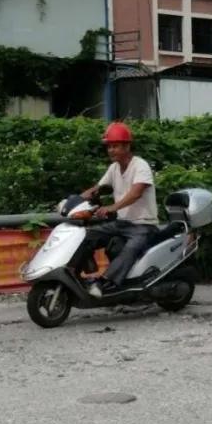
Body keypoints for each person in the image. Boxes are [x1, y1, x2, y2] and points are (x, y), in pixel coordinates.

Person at [80, 122, 158, 297]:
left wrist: (112, 207)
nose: (111, 150)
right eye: (109, 147)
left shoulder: (140, 166)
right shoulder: (114, 168)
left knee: (129, 250)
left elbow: (136, 193)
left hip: (143, 226)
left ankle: (105, 284)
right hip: (122, 224)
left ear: (127, 146)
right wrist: (75, 200)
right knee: (86, 236)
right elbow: (97, 188)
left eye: (115, 146)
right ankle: (82, 273)